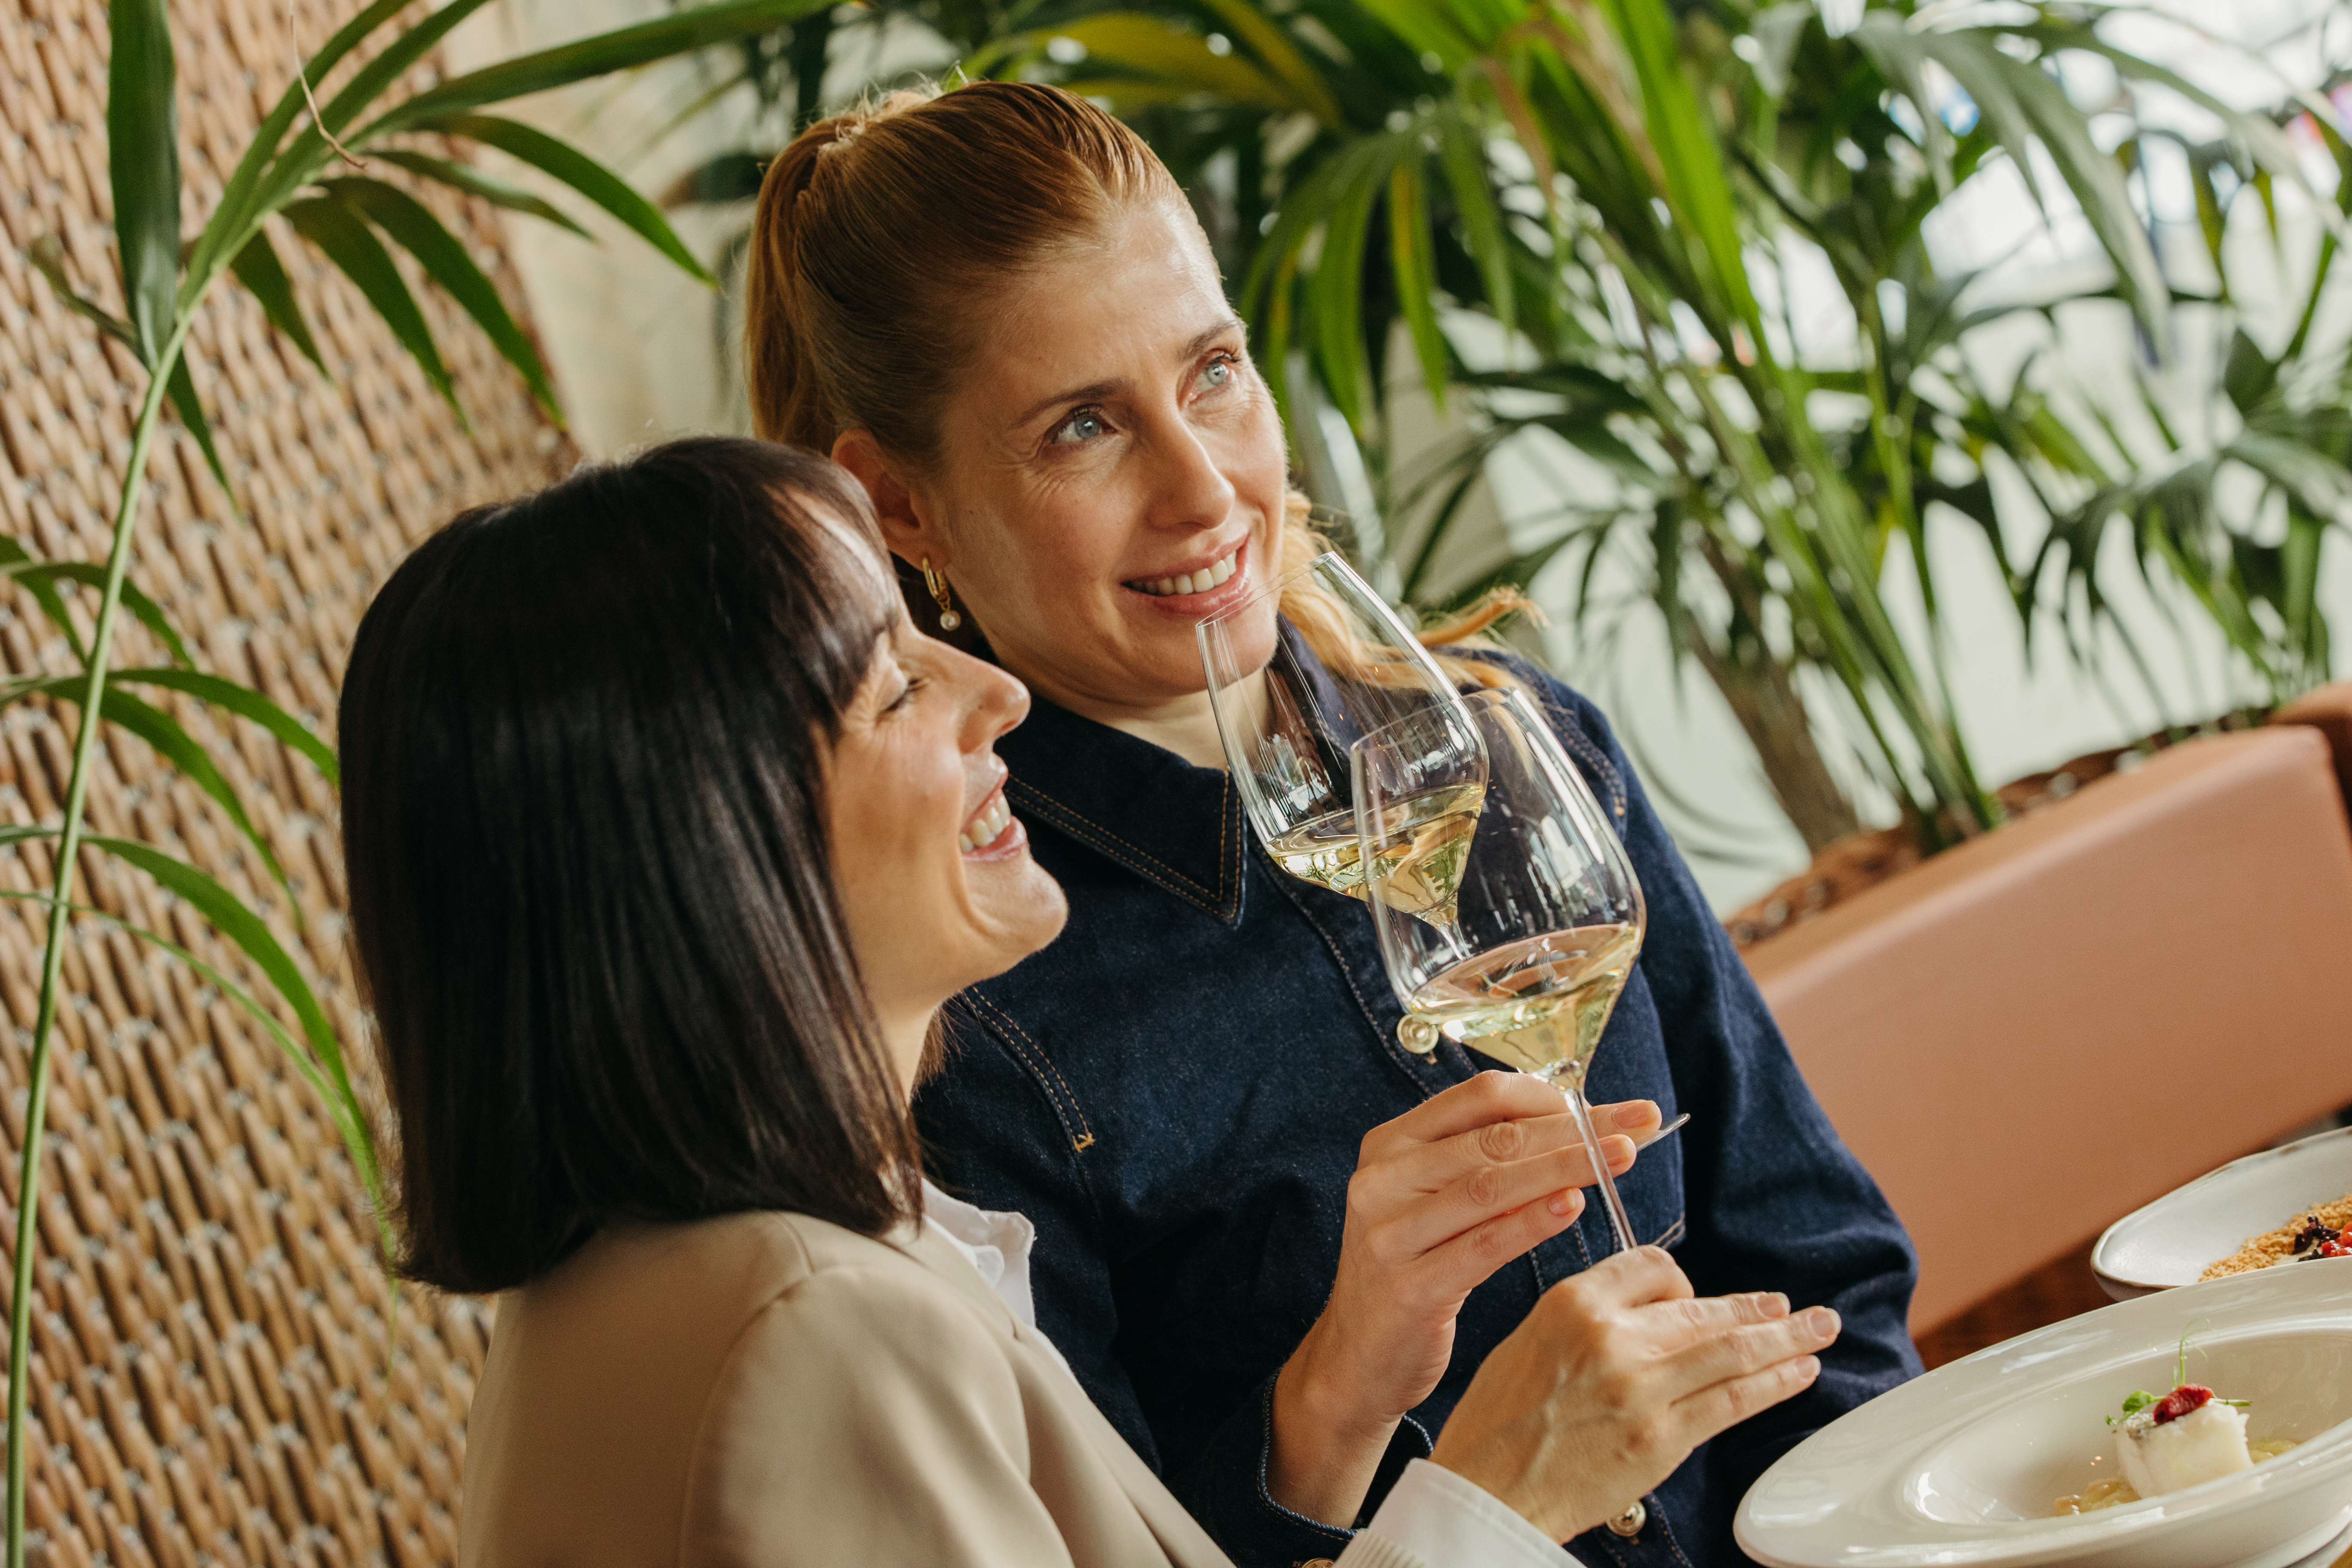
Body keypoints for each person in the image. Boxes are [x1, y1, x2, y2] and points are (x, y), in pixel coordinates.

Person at [741, 80, 1923, 1566]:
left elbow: (1826, 1276)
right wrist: (1328, 1398)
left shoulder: (1521, 744)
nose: (1204, 489)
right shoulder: (960, 1021)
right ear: (900, 506)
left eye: (1214, 372)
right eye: (1084, 426)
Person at [337, 438, 1840, 1568]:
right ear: (709, 846)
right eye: (893, 685)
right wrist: (1495, 1503)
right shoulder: (813, 1335)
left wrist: (1335, 1416)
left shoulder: (744, 1274)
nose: (992, 695)